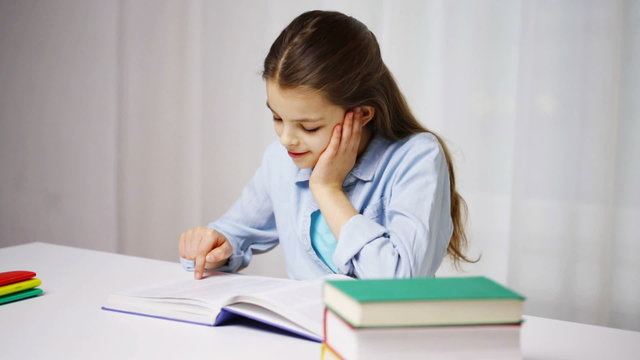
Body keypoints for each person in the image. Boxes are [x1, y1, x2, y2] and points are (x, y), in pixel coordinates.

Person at [179, 10, 475, 280]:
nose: (286, 139)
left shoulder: (416, 157)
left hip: (387, 337)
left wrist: (327, 189)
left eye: (309, 127)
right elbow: (234, 234)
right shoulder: (280, 160)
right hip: (305, 335)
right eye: (278, 118)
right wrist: (210, 246)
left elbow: (398, 282)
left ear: (361, 115)